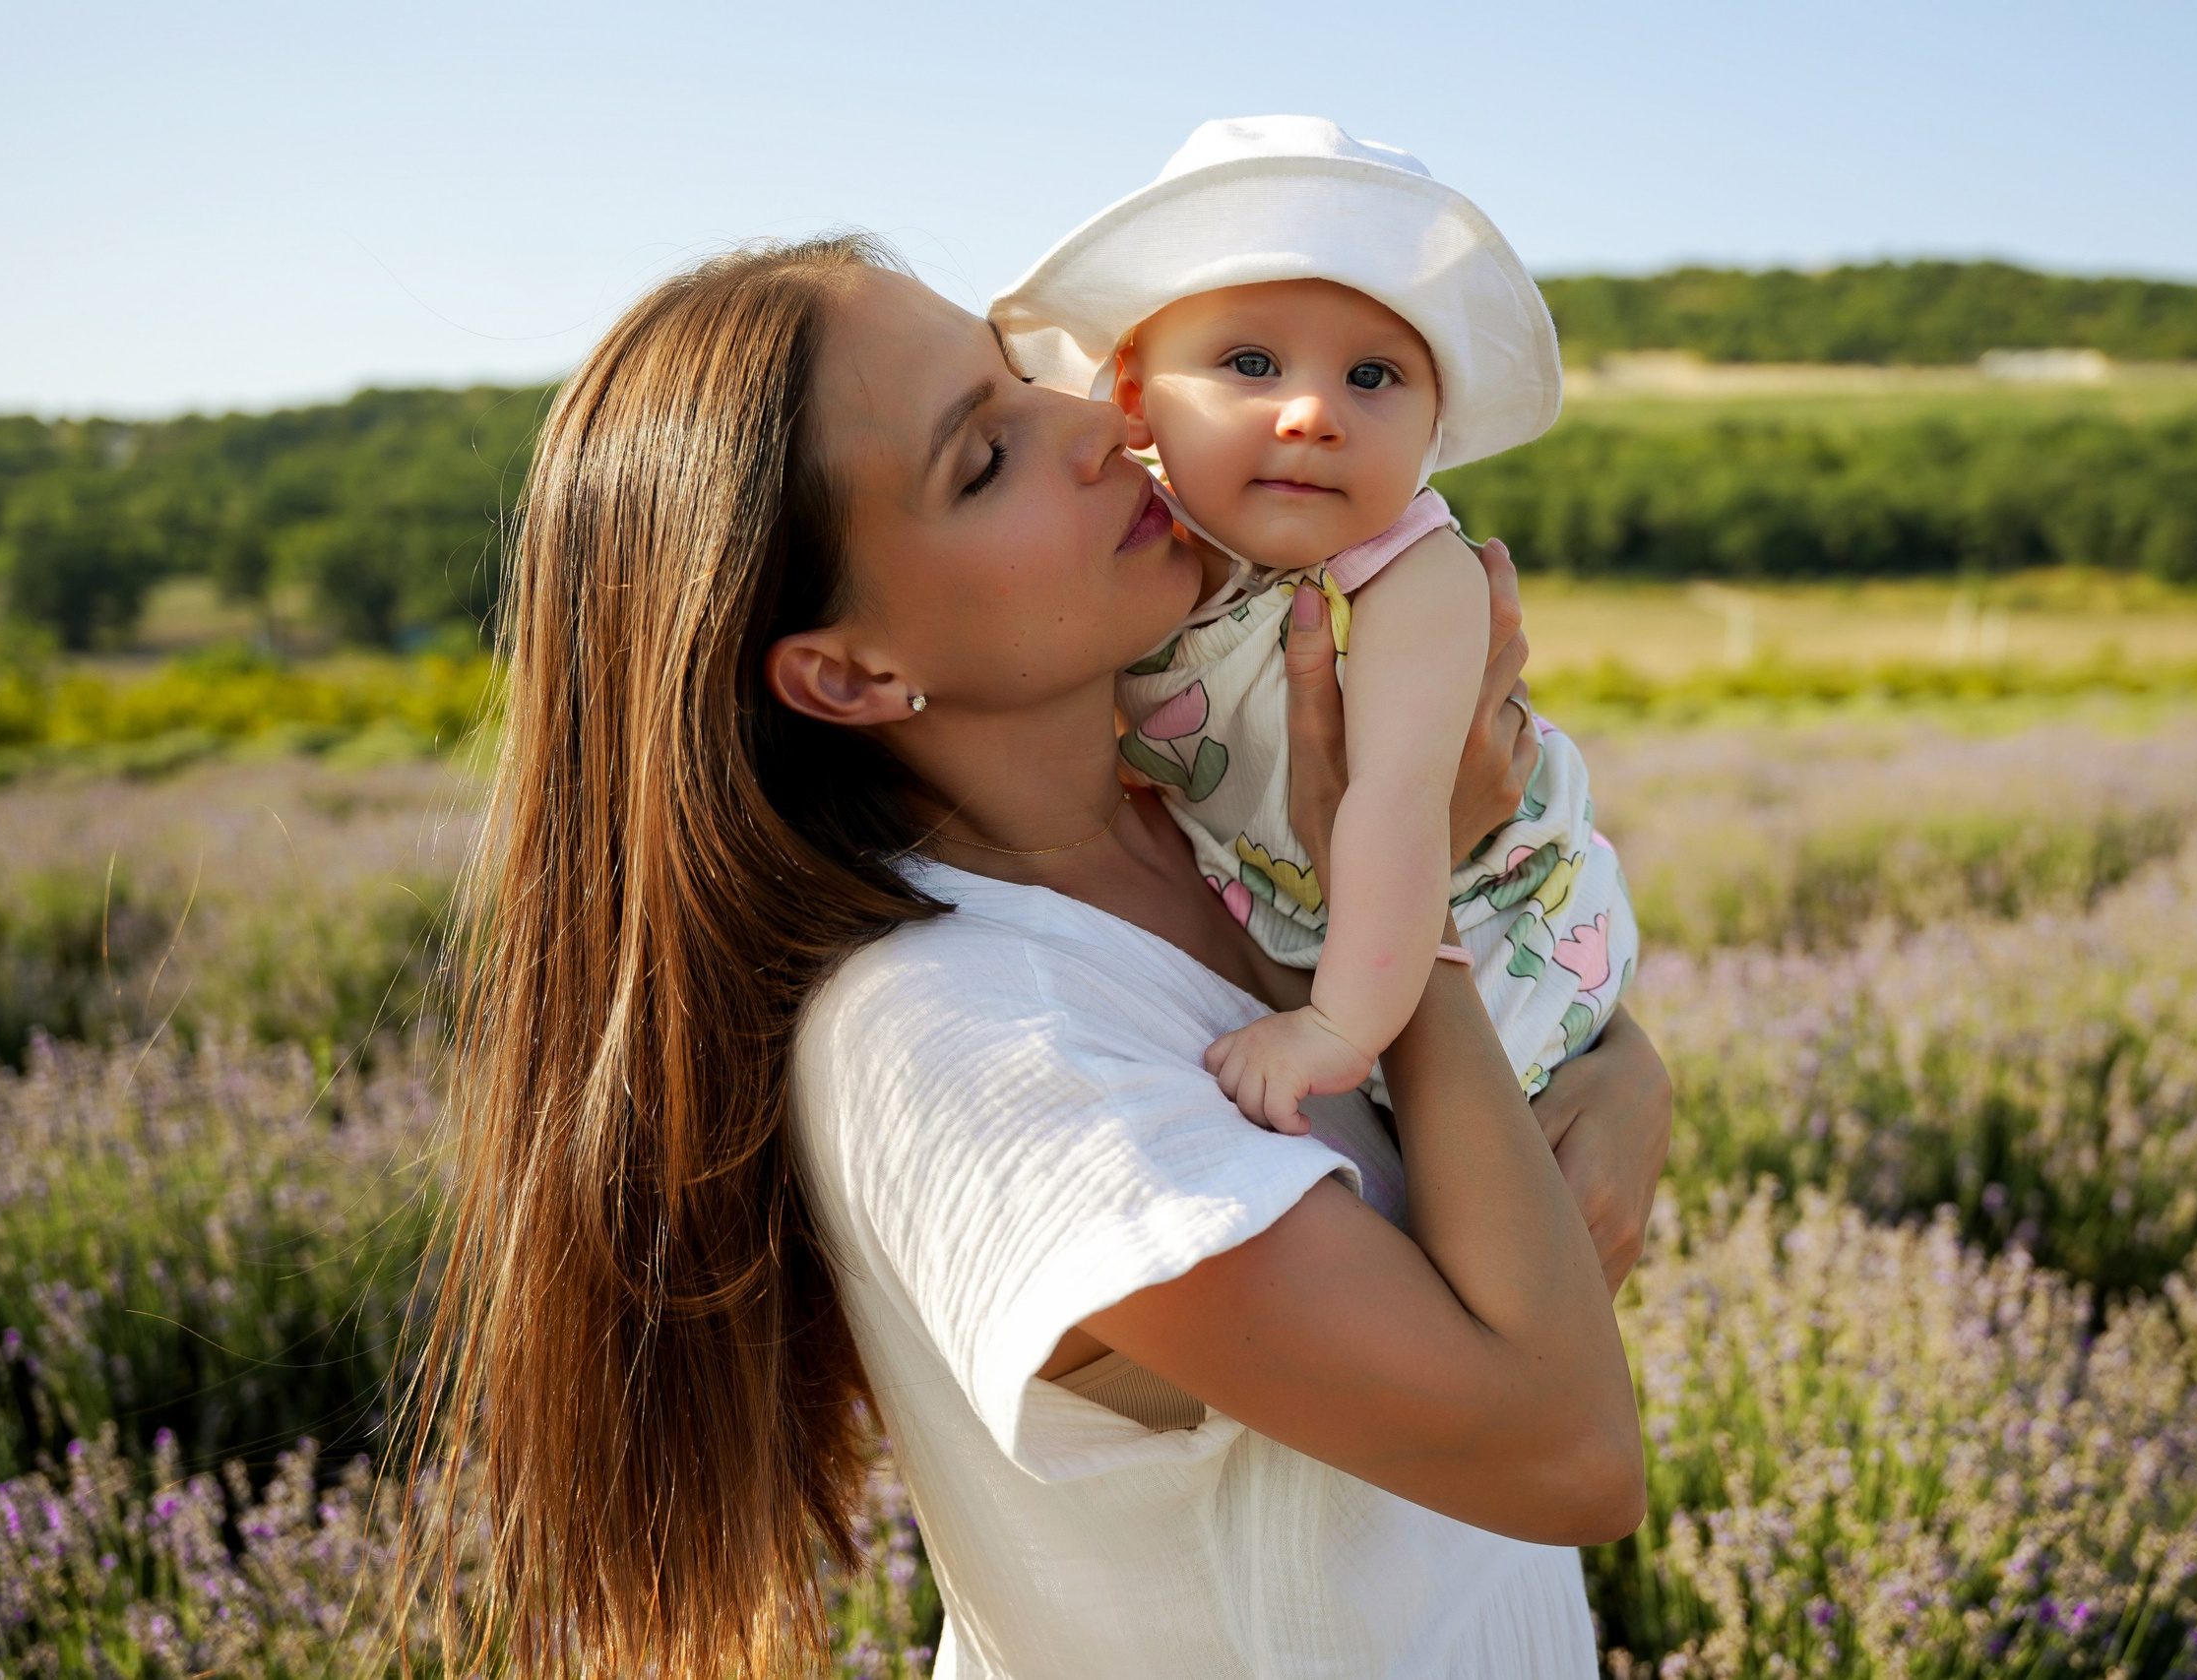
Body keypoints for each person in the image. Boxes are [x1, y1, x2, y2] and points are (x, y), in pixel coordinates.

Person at [412, 231, 1671, 1680]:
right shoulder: (964, 1034)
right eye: (983, 457)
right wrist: (1402, 919)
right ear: (852, 671)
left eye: (1022, 380)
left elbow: (1526, 1087)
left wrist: (1628, 1063)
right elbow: (1568, 1450)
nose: (1096, 424)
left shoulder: (1200, 820)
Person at [992, 116, 1641, 1128]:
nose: (1311, 414)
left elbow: (1399, 801)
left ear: (1435, 427)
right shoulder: (1124, 556)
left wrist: (1338, 1026)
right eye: (1249, 364)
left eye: (1373, 377)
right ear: (1131, 395)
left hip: (1497, 936)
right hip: (1308, 934)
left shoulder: (1406, 573)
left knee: (1463, 1196)